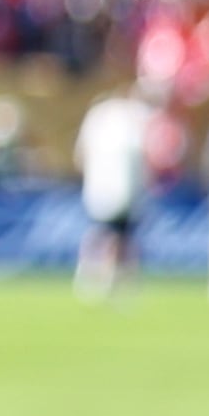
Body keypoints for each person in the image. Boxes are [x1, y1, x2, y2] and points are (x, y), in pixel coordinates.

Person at [71, 82, 152, 301]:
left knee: (112, 236)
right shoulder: (130, 117)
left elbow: (80, 155)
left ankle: (102, 277)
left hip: (110, 190)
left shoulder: (103, 117)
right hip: (119, 191)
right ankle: (107, 278)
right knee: (114, 237)